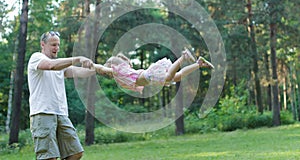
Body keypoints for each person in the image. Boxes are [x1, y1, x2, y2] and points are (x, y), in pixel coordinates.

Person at [27, 31, 96, 160]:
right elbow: (50, 66)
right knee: (48, 157)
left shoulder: (60, 65)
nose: (56, 48)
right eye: (53, 44)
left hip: (61, 114)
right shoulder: (36, 58)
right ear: (43, 44)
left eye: (58, 45)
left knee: (75, 153)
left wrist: (103, 68)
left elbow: (81, 72)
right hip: (43, 113)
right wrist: (77, 59)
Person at [93, 48, 214, 94]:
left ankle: (183, 57)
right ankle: (199, 64)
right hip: (149, 77)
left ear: (112, 66)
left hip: (148, 76)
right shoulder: (125, 71)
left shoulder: (116, 71)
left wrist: (91, 65)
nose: (106, 73)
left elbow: (101, 68)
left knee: (168, 77)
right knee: (177, 77)